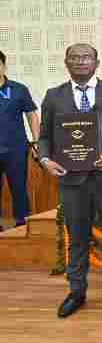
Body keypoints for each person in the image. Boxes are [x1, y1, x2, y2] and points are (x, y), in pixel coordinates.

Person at [38, 44, 102, 318]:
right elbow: (44, 136)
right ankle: (76, 291)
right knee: (77, 238)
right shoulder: (54, 96)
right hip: (72, 181)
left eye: (86, 57)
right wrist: (45, 160)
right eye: (75, 57)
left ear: (97, 62)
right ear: (66, 62)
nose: (81, 61)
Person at [0, 50, 39, 228]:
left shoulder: (18, 89)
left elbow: (32, 115)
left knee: (19, 188)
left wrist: (37, 141)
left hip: (15, 149)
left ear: (4, 66)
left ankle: (22, 223)